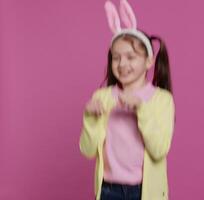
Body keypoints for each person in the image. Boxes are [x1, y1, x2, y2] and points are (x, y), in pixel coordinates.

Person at [79, 0, 175, 199]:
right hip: (108, 190)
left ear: (148, 61)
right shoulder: (102, 97)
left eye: (131, 57)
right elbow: (87, 150)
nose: (122, 64)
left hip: (144, 192)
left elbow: (159, 150)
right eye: (116, 57)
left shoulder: (161, 100)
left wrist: (142, 110)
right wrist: (90, 118)